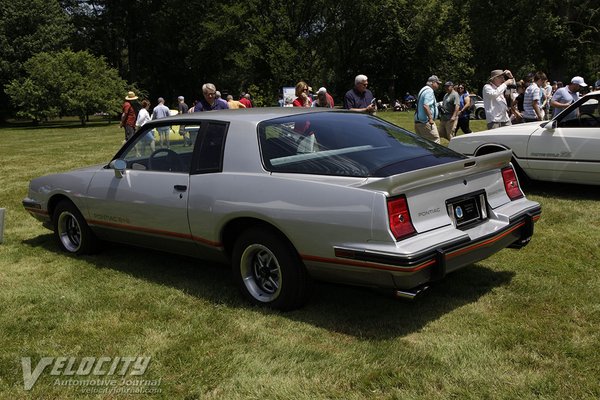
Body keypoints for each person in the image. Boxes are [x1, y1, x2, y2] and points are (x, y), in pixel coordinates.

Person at [414, 75, 442, 143]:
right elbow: (426, 106)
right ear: (433, 83)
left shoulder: (423, 89)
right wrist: (430, 119)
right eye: (437, 83)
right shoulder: (429, 91)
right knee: (435, 140)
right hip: (425, 122)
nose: (438, 85)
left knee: (423, 143)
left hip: (418, 121)